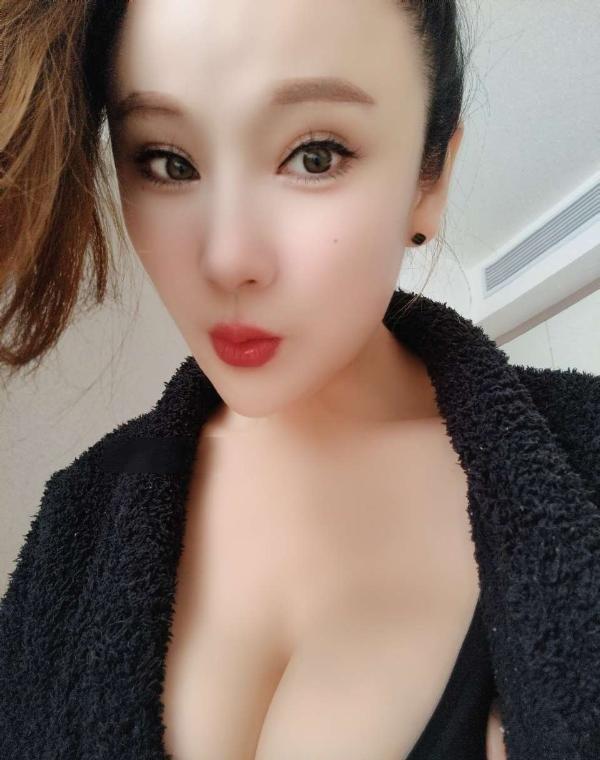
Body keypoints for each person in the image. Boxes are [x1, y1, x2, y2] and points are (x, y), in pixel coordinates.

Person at [2, 2, 598, 759]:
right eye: (167, 161)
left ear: (431, 177)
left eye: (315, 156)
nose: (227, 258)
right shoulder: (77, 517)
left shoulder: (584, 463)